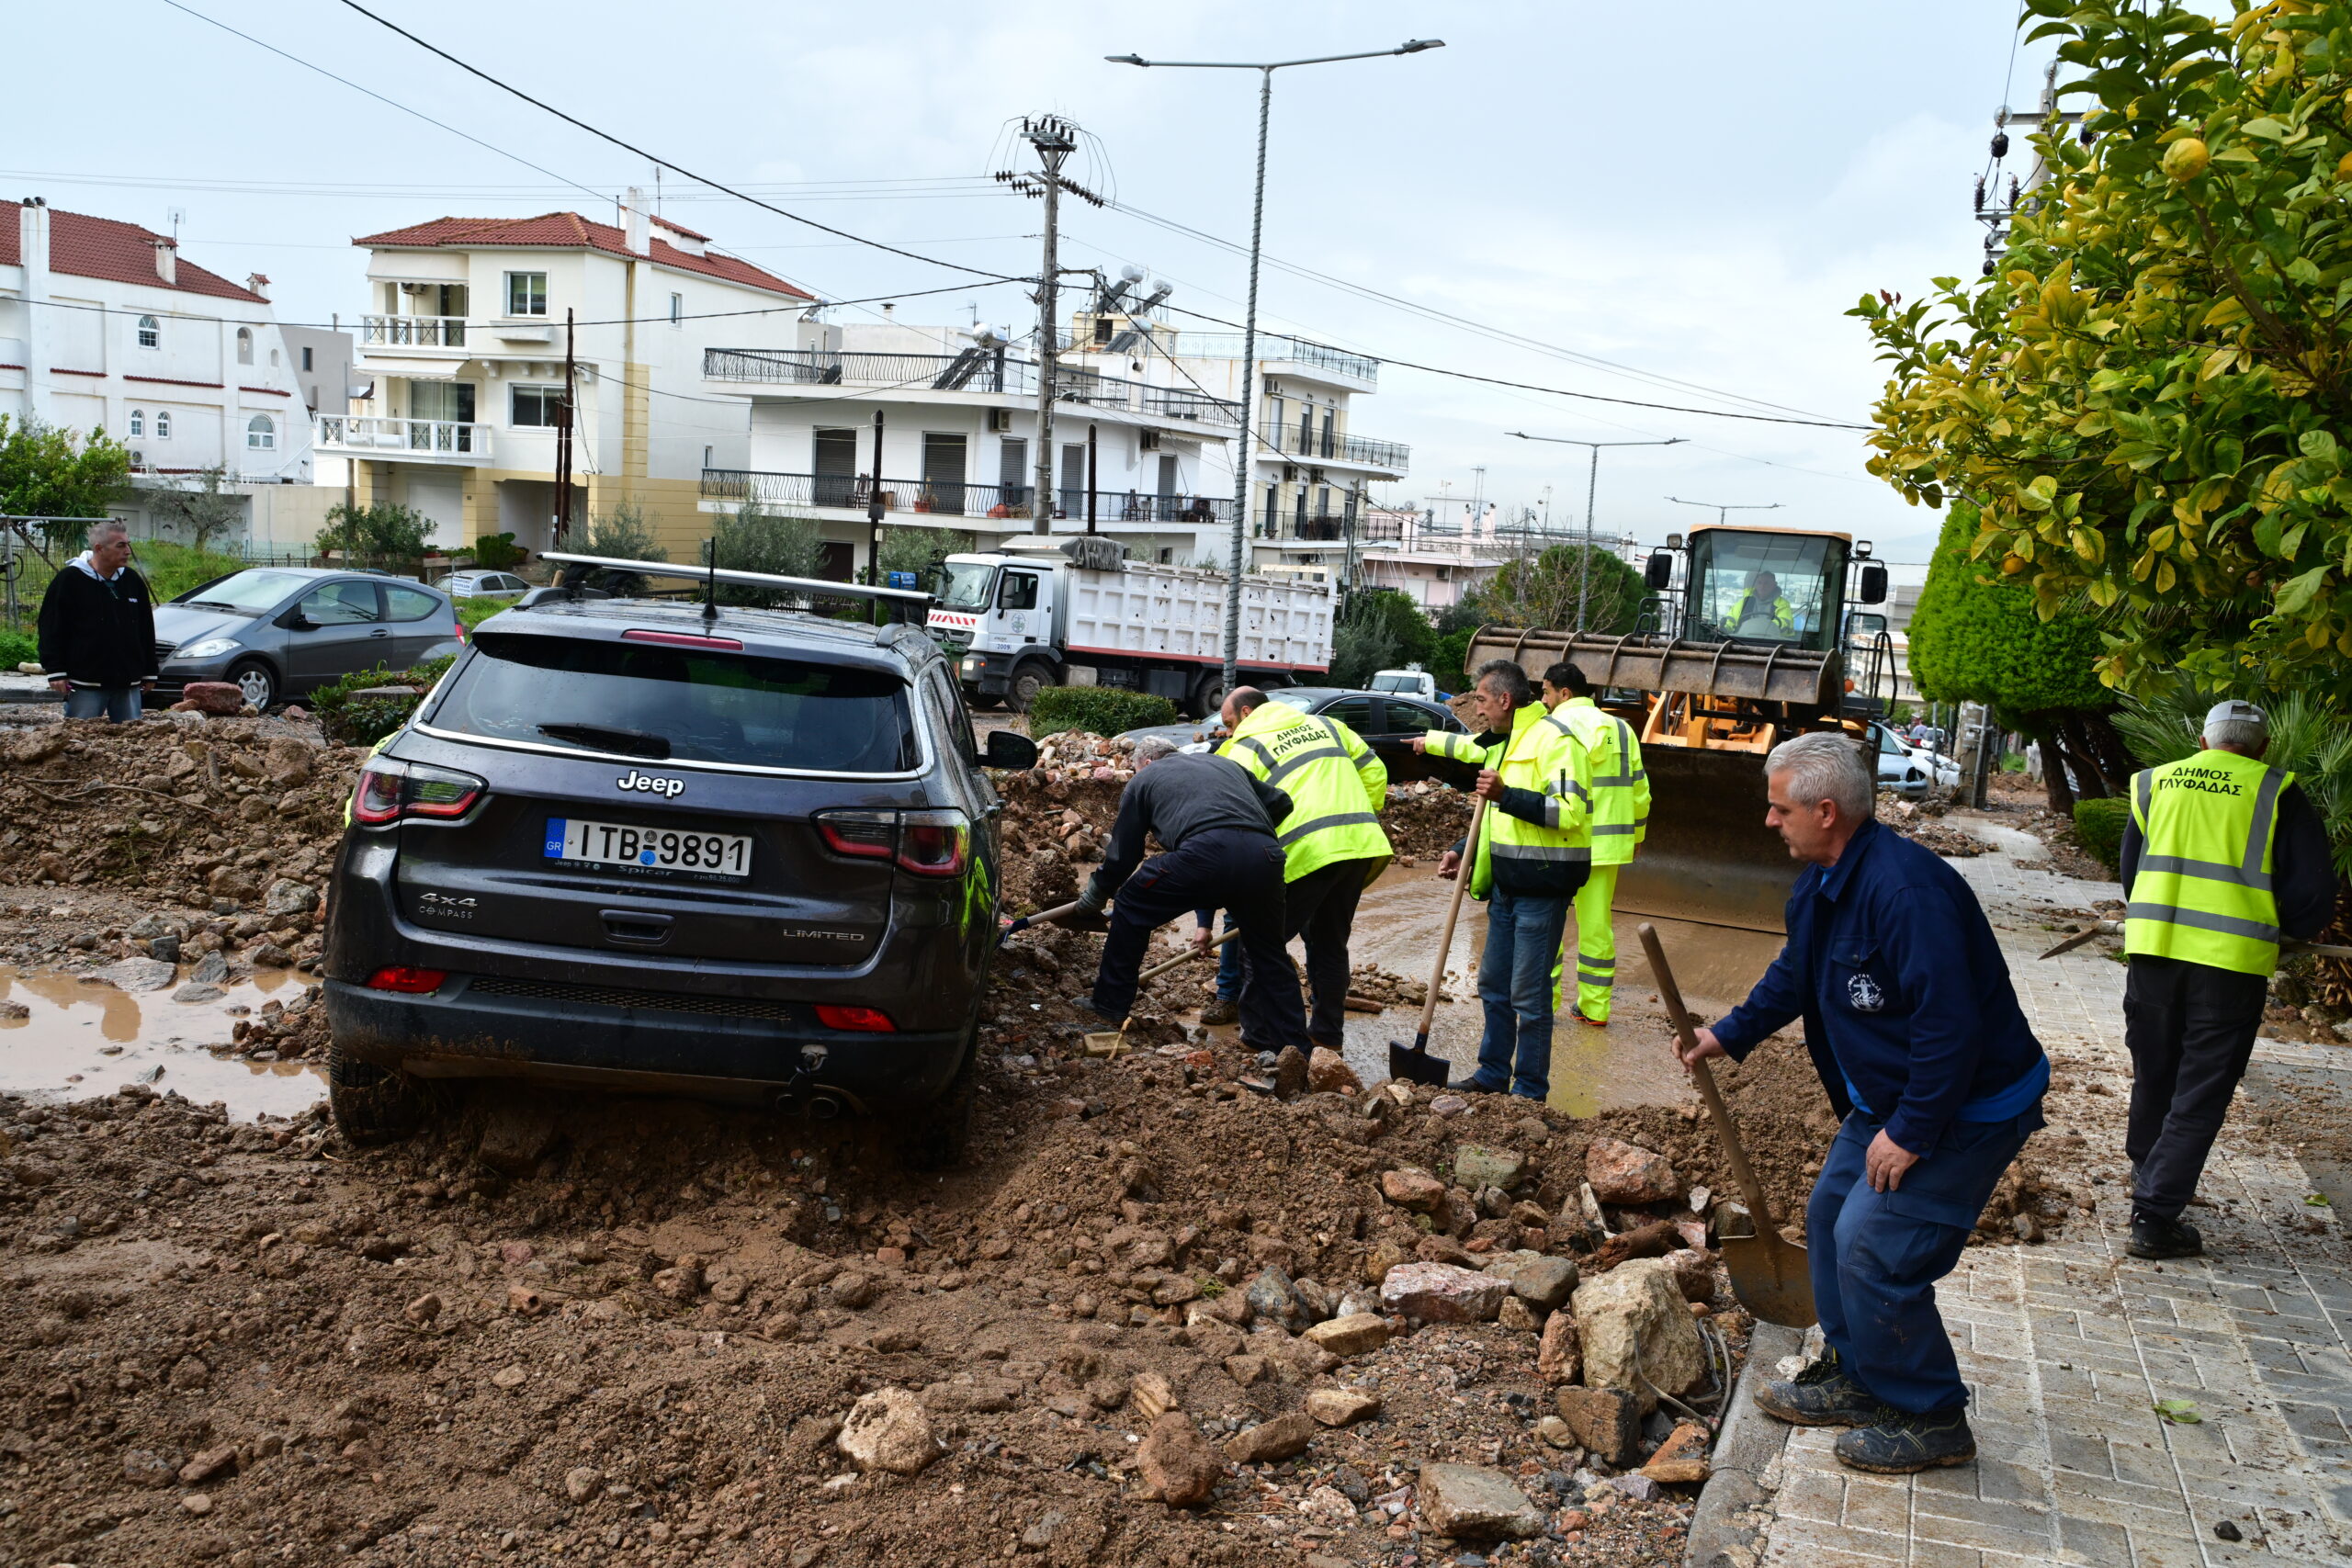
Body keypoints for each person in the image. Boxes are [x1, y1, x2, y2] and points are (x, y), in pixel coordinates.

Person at [1679, 731, 2048, 1474]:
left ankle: (1930, 1413)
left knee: (1875, 1247)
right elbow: (1796, 975)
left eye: (1779, 809)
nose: (1768, 821)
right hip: (1891, 1097)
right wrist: (1727, 1033)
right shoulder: (1824, 882)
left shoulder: (1905, 893)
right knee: (1828, 1220)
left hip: (1965, 1106)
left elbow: (1951, 1027)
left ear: (1824, 811)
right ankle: (1858, 1372)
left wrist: (1911, 1131)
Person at [2119, 699, 2335, 1259]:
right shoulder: (2274, 789)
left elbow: (2131, 871)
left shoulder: (2153, 783)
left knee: (2154, 1073)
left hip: (2153, 954)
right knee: (2201, 1090)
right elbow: (2311, 889)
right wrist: (2282, 929)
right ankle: (2155, 1214)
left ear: (2204, 739)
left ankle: (2150, 1175)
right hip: (2231, 963)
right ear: (2263, 746)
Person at [1412, 660, 1590, 1100]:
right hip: (1508, 887)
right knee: (1493, 986)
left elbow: (1569, 813)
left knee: (1529, 998)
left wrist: (1506, 794)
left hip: (1541, 887)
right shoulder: (1508, 742)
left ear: (1505, 700)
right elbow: (1493, 818)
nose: (1479, 710)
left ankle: (1529, 1091)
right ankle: (1492, 1076)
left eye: (1482, 700)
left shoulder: (1556, 741)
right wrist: (1461, 849)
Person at [1076, 736, 1308, 1053]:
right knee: (1268, 953)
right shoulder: (1225, 764)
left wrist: (1097, 891)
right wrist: (1249, 835)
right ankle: (1295, 1047)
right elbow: (1282, 802)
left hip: (1204, 852)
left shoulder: (1144, 778)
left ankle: (1109, 1005)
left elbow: (1124, 855)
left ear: (1146, 762)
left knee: (1130, 903)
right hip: (1265, 856)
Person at [1201, 687, 1391, 1048]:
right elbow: (1375, 772)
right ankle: (1326, 1035)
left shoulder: (1245, 747)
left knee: (1260, 944)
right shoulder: (1329, 725)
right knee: (1329, 945)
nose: (1226, 733)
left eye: (1227, 724)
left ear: (1245, 714)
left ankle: (1259, 1039)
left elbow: (1235, 817)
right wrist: (1356, 817)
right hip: (1358, 845)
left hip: (1305, 852)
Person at [1539, 662, 1649, 1025]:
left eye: (1546, 692)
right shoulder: (1621, 729)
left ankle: (1544, 1003)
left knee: (1547, 924)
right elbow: (1640, 791)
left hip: (1560, 844)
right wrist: (1636, 837)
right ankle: (1595, 1008)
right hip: (1606, 848)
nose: (1543, 700)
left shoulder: (1551, 728)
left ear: (1563, 693)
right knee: (1597, 927)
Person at [38, 520, 157, 722]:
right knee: (79, 740)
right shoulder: (69, 580)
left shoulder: (132, 580)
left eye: (128, 544)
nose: (128, 551)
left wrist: (150, 671)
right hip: (86, 682)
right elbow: (51, 627)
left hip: (128, 682)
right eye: (120, 545)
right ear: (99, 548)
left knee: (132, 740)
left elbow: (145, 628)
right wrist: (56, 670)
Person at [1727, 570, 1794, 636]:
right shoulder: (1745, 602)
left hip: (1772, 642)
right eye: (1759, 583)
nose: (1762, 587)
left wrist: (1757, 628)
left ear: (1774, 585)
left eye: (1766, 583)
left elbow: (1785, 623)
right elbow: (1730, 619)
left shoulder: (1782, 604)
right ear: (1755, 585)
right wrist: (1724, 627)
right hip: (1743, 640)